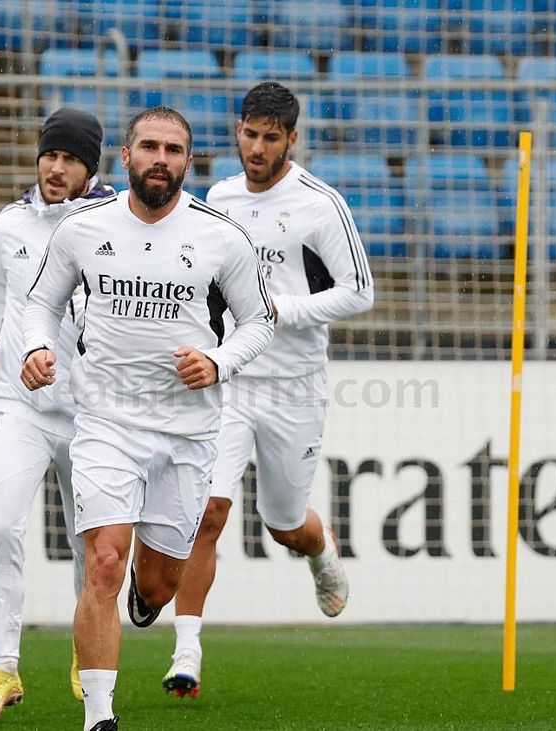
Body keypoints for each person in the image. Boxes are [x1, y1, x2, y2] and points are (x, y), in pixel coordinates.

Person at [21, 106, 274, 731]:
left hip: (188, 432)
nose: (161, 159)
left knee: (157, 584)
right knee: (104, 560)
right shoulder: (83, 229)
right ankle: (100, 717)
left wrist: (217, 362)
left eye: (174, 150)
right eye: (149, 147)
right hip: (105, 423)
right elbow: (39, 305)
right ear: (126, 157)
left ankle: (148, 593)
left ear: (188, 162)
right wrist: (34, 347)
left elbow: (260, 322)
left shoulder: (221, 236)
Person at [162, 81, 374, 698]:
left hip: (293, 387)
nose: (257, 148)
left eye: (270, 137)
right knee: (209, 511)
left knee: (283, 523)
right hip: (230, 378)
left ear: (291, 139)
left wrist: (284, 309)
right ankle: (187, 653)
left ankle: (319, 550)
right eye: (249, 134)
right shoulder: (220, 196)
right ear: (238, 132)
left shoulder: (319, 204)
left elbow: (360, 291)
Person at [0, 107, 114, 720]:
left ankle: (87, 650)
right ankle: (2, 668)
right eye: (50, 155)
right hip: (19, 405)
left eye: (70, 158)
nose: (56, 167)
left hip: (95, 414)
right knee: (1, 525)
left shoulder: (115, 223)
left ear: (91, 168)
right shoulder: (10, 223)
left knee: (93, 543)